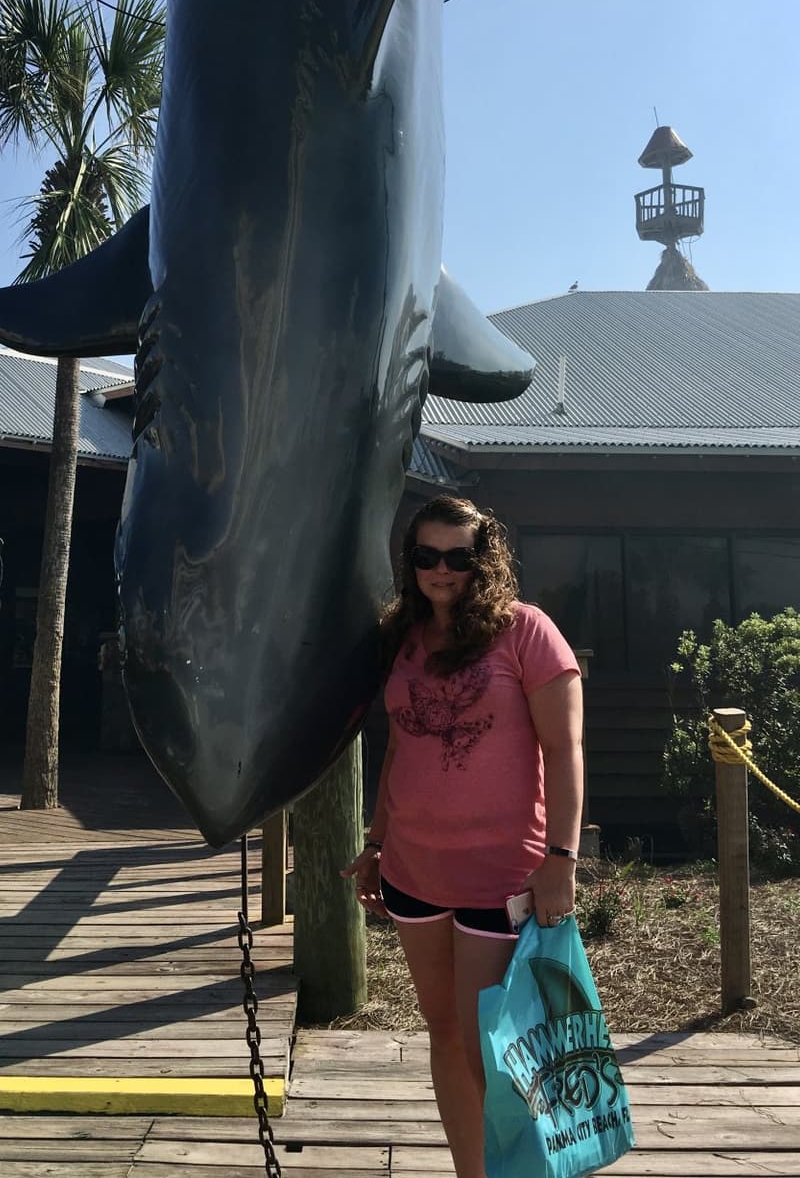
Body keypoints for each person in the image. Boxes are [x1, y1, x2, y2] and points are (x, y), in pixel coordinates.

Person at [342, 495, 583, 1178]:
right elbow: (399, 748)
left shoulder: (526, 632)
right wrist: (377, 841)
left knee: (493, 1050)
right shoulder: (404, 636)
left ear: (486, 559)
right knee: (444, 1035)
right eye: (426, 557)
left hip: (501, 877)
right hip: (416, 873)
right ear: (411, 561)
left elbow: (565, 751)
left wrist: (560, 859)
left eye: (458, 556)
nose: (441, 570)